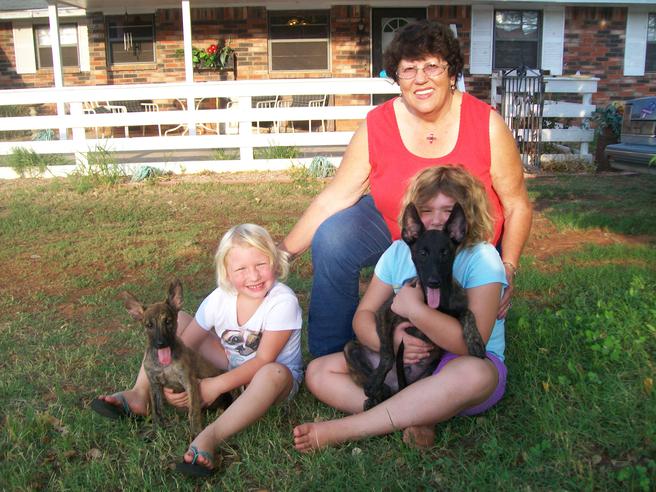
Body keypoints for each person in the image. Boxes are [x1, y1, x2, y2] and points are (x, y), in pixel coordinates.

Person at [281, 19, 532, 357]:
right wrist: (282, 254)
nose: (421, 79)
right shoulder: (377, 125)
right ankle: (331, 352)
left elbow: (517, 205)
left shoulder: (486, 123)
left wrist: (509, 266)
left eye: (432, 66)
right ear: (395, 77)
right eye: (409, 69)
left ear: (451, 70)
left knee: (459, 336)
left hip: (466, 239)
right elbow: (334, 198)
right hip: (401, 227)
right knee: (334, 236)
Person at [293, 164, 507, 451]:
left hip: (456, 364)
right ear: (412, 219)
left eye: (447, 211)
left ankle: (350, 429)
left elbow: (473, 343)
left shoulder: (481, 256)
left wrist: (416, 310)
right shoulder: (397, 253)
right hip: (404, 362)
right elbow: (363, 316)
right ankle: (417, 415)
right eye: (427, 210)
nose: (436, 220)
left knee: (477, 374)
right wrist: (391, 342)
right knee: (319, 371)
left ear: (463, 218)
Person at [92, 224, 303, 477]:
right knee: (176, 323)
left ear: (276, 263)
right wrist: (173, 383)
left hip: (273, 381)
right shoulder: (219, 298)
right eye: (241, 269)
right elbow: (187, 342)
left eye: (261, 264)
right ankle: (140, 393)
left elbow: (263, 360)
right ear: (226, 272)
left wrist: (214, 386)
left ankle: (210, 436)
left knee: (273, 372)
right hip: (230, 362)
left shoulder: (282, 301)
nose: (254, 276)